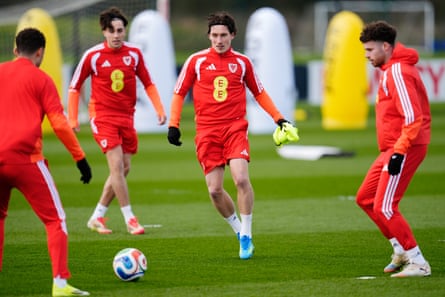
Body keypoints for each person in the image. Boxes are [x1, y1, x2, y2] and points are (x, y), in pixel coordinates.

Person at [167, 11, 297, 260]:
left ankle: (247, 234)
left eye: (223, 35)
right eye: (214, 35)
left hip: (235, 127)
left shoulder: (243, 62)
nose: (218, 40)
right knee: (215, 190)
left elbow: (259, 93)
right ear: (208, 36)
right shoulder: (195, 61)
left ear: (233, 35)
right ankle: (238, 230)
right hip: (206, 131)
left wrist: (279, 119)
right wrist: (173, 124)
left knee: (240, 179)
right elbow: (178, 92)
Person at [0, 28, 92, 296]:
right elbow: (60, 124)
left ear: (16, 50)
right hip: (26, 161)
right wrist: (80, 157)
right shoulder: (42, 80)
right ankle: (60, 284)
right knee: (55, 220)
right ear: (40, 52)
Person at [68, 7, 167, 235]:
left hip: (126, 118)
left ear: (125, 31)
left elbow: (148, 82)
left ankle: (97, 216)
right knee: (116, 168)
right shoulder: (92, 56)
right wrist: (73, 117)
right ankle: (130, 219)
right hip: (102, 117)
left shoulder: (134, 54)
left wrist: (159, 109)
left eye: (120, 30)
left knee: (123, 168)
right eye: (111, 30)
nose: (116, 35)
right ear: (104, 31)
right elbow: (74, 87)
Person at [357, 21, 431, 277]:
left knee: (386, 207)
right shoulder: (391, 69)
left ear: (386, 46)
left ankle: (418, 262)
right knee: (365, 199)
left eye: (369, 50)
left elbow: (413, 117)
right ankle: (400, 249)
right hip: (392, 147)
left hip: (405, 147)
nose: (367, 56)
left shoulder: (397, 71)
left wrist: (399, 152)